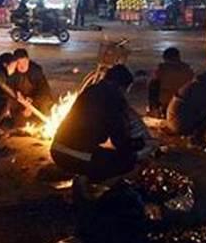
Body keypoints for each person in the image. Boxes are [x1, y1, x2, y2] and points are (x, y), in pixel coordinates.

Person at [51, 65, 145, 197]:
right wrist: (139, 144)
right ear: (122, 87)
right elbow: (120, 141)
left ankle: (86, 178)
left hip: (57, 150)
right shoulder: (115, 99)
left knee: (102, 153)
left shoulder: (90, 91)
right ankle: (92, 187)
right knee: (128, 160)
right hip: (75, 156)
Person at [8, 48, 53, 123]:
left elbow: (44, 89)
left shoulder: (36, 70)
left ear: (28, 60)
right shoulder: (12, 72)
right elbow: (9, 87)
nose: (22, 66)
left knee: (46, 101)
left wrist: (32, 104)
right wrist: (16, 95)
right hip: (20, 100)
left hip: (34, 98)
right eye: (19, 63)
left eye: (25, 62)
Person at [147, 47, 194, 118]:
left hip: (167, 104)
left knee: (153, 84)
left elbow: (152, 82)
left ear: (165, 58)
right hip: (185, 104)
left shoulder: (162, 69)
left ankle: (155, 110)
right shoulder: (188, 69)